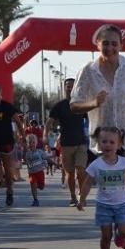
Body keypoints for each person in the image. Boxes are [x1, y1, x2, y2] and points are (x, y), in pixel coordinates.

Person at [70, 24, 125, 249]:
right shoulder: (88, 71)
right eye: (105, 43)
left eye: (114, 43)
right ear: (97, 45)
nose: (109, 47)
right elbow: (74, 105)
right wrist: (93, 103)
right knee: (111, 195)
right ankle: (122, 246)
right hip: (105, 142)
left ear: (121, 45)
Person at [46, 77, 89, 206]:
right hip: (66, 144)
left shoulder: (81, 104)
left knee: (81, 169)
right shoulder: (60, 106)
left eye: (72, 85)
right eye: (68, 86)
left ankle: (81, 194)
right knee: (70, 173)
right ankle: (72, 197)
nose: (70, 88)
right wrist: (45, 135)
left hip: (81, 142)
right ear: (65, 88)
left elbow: (91, 120)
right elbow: (50, 122)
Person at [23, 133, 47, 206]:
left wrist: (55, 163)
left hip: (40, 172)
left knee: (42, 187)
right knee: (33, 183)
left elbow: (46, 158)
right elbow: (25, 159)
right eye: (29, 142)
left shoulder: (39, 152)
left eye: (33, 142)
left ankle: (37, 185)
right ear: (27, 144)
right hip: (32, 173)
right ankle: (35, 200)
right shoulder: (27, 153)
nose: (31, 144)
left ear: (36, 143)